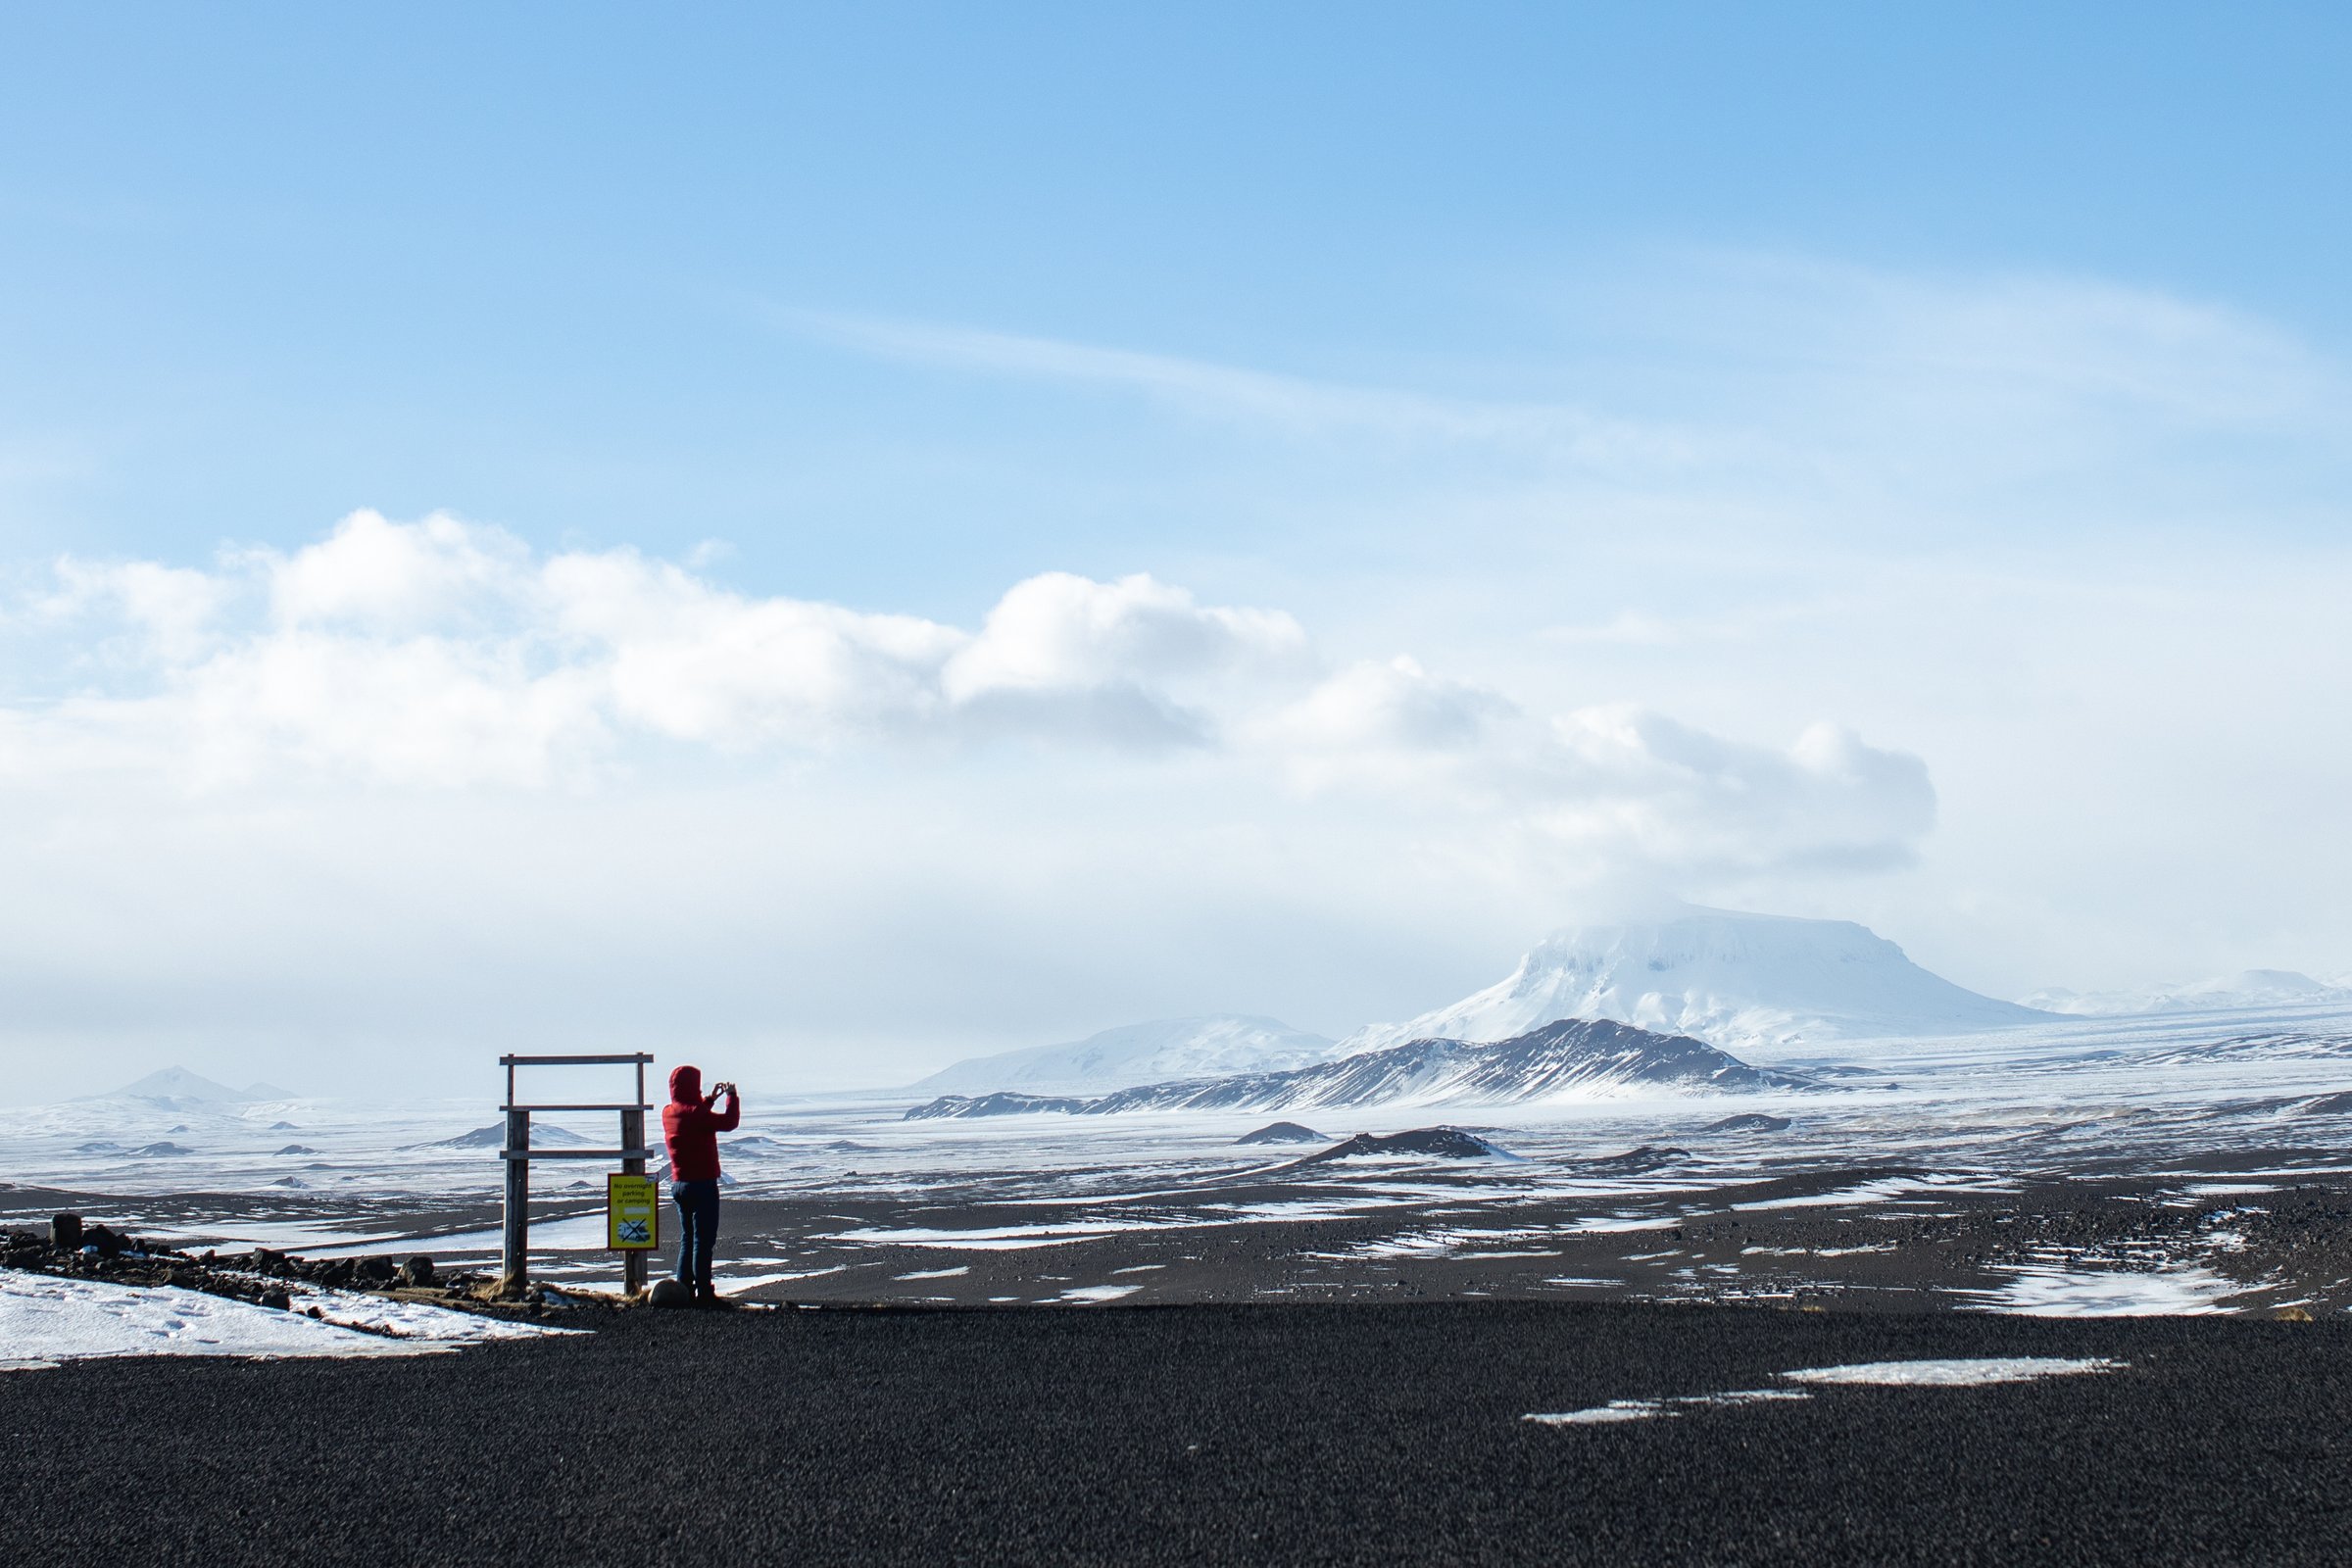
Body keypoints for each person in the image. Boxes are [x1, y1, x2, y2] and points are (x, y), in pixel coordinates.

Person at [662, 1064, 740, 1304]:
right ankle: (705, 1293)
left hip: (679, 1184)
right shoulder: (697, 1113)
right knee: (703, 1242)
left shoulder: (668, 1112)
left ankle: (684, 1290)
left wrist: (710, 1099)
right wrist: (732, 1097)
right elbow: (729, 1122)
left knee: (688, 1238)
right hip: (702, 1184)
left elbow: (693, 1114)